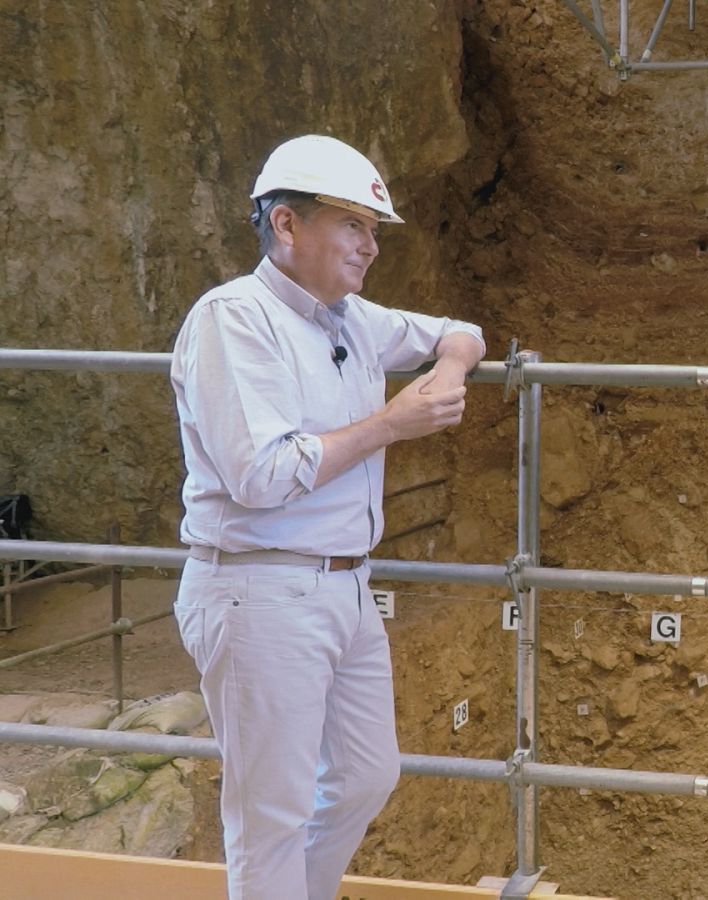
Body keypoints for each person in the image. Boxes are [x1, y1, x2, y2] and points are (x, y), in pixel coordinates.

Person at [170, 134, 486, 900]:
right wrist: (391, 422)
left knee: (366, 774)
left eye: (373, 230)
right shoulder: (232, 321)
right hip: (259, 589)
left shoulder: (347, 318)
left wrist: (445, 370)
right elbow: (261, 473)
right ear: (287, 225)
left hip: (344, 585)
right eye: (355, 225)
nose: (371, 247)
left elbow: (461, 333)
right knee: (269, 813)